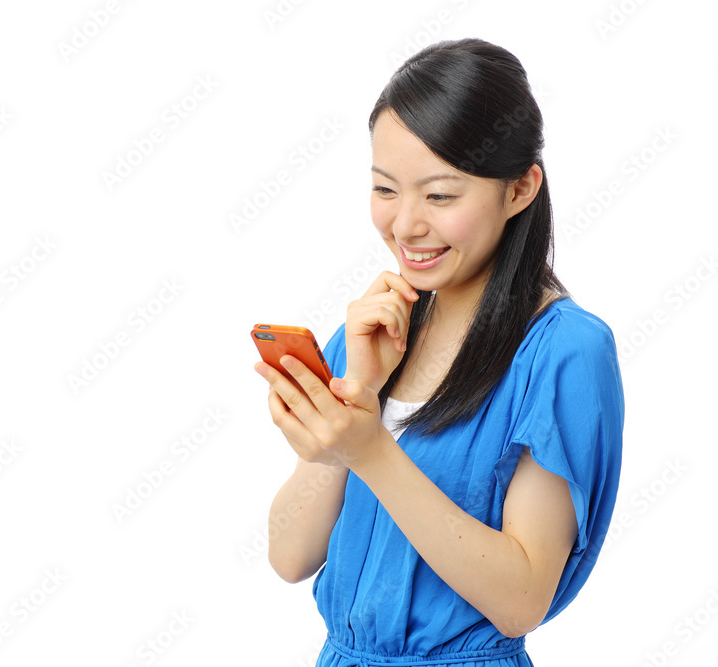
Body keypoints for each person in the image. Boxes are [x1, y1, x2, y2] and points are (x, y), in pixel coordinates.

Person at [254, 38, 624, 666]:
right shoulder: (372, 332)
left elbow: (522, 600)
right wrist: (354, 408)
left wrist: (370, 449)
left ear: (520, 189)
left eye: (440, 196)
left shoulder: (564, 351)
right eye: (385, 189)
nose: (405, 226)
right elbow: (289, 557)